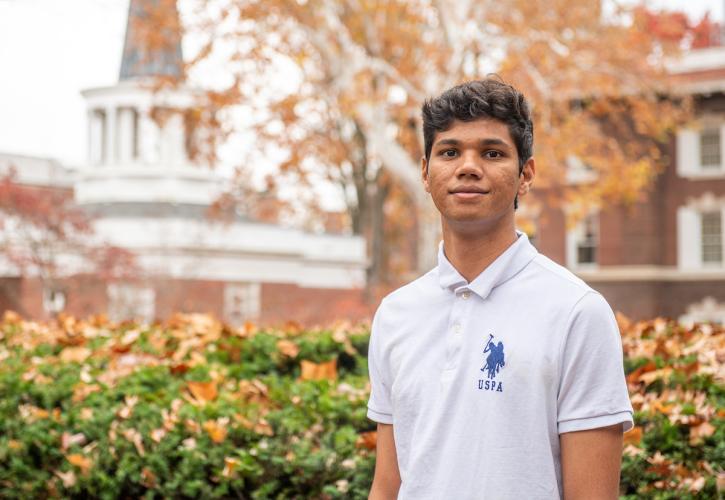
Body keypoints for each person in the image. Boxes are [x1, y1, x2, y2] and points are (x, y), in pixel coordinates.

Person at [366, 79, 633, 500]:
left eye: (492, 153)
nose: (468, 166)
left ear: (526, 175)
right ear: (425, 171)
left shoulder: (577, 312)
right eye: (449, 152)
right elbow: (387, 486)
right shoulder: (396, 313)